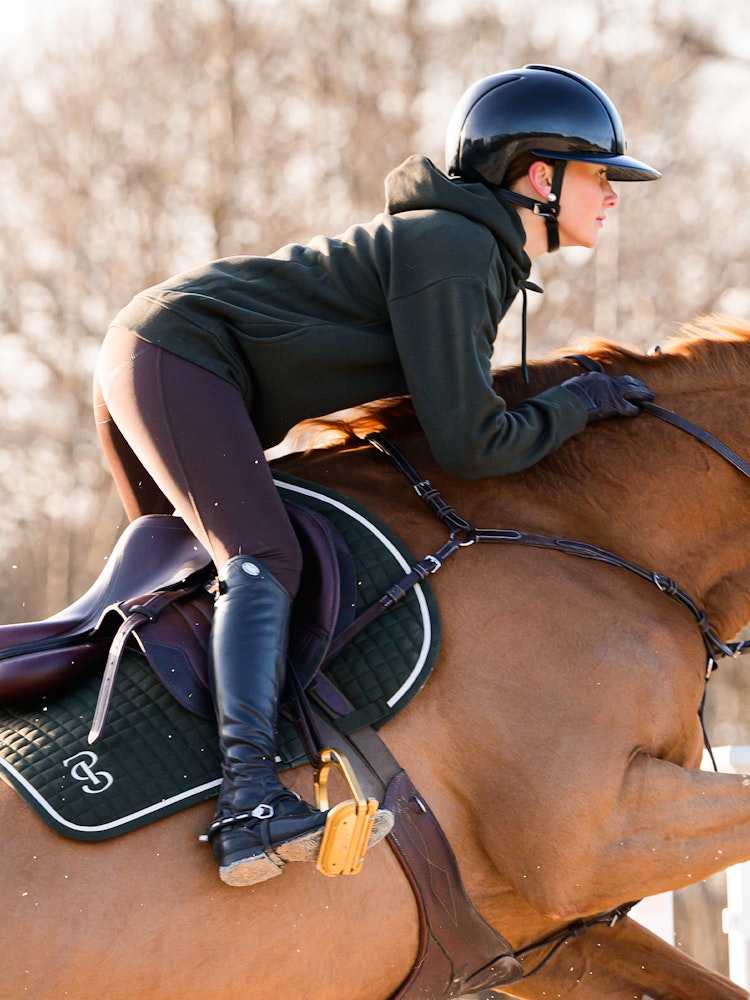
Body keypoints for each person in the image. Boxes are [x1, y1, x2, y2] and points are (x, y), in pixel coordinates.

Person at [93, 64, 658, 887]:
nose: (612, 196)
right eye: (600, 176)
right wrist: (583, 401)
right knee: (265, 558)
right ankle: (248, 802)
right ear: (541, 177)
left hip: (170, 363)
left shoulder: (475, 253)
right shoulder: (458, 247)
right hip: (176, 354)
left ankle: (199, 780)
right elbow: (471, 445)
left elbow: (449, 428)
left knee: (208, 579)